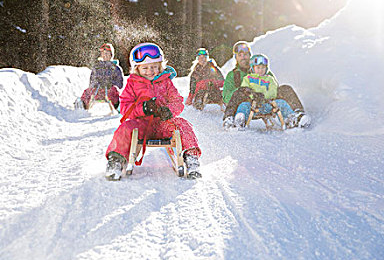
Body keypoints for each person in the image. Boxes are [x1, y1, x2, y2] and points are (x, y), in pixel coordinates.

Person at [105, 42, 202, 180]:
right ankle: (116, 160)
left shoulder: (165, 82)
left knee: (183, 125)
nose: (150, 71)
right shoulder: (133, 83)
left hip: (164, 123)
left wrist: (168, 111)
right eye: (145, 68)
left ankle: (191, 159)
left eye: (154, 67)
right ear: (137, 69)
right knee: (125, 128)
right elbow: (125, 106)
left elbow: (177, 101)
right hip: (142, 124)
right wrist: (143, 108)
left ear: (160, 66)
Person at [222, 40, 310, 128]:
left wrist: (264, 95)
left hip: (266, 103)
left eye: (245, 54)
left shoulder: (264, 72)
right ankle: (230, 119)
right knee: (239, 92)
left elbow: (274, 87)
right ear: (236, 58)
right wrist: (248, 94)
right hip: (246, 105)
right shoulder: (233, 75)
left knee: (285, 89)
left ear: (250, 55)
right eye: (240, 55)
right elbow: (226, 96)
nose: (243, 57)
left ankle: (297, 116)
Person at [75, 43, 124, 110]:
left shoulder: (115, 68)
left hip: (110, 90)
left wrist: (111, 84)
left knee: (114, 91)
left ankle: (117, 107)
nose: (105, 55)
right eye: (103, 53)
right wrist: (95, 85)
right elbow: (92, 80)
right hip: (98, 90)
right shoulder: (97, 67)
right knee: (88, 92)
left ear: (111, 55)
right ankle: (82, 106)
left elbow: (120, 83)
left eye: (107, 53)